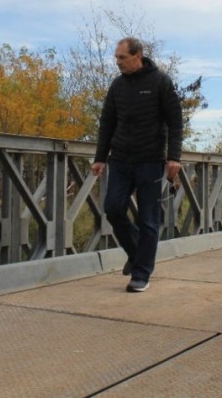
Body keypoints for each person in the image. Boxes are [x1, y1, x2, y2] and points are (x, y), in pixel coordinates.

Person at [91, 37, 183, 293]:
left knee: (148, 220)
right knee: (113, 208)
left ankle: (141, 274)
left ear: (138, 55)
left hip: (150, 160)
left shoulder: (160, 82)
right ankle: (136, 253)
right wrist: (100, 157)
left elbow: (175, 122)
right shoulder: (117, 85)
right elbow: (106, 123)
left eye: (122, 58)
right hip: (120, 158)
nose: (117, 62)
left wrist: (174, 157)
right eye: (116, 58)